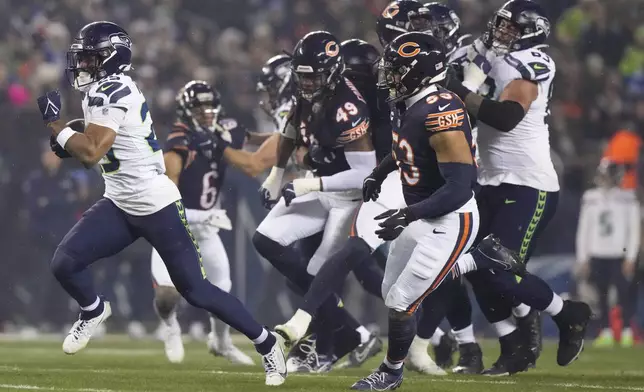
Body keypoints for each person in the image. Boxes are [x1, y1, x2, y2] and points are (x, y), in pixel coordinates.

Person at [36, 21, 286, 386]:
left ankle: (268, 344)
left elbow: (91, 152)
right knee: (65, 263)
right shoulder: (102, 90)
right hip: (120, 202)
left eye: (90, 57)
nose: (83, 64)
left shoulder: (112, 89)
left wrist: (56, 125)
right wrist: (68, 133)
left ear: (110, 58)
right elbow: (94, 142)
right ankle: (93, 309)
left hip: (156, 205)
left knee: (196, 290)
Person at [351, 31, 525, 391]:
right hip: (420, 211)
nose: (389, 77)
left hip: (451, 218)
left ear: (419, 72)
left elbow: (459, 187)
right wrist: (379, 173)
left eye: (397, 70)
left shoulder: (441, 112)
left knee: (402, 300)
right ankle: (480, 258)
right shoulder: (408, 103)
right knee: (391, 292)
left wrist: (408, 214)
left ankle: (390, 373)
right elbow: (405, 148)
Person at [444, 0, 591, 375]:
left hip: (528, 184)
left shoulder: (535, 61)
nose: (502, 32)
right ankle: (513, 347)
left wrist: (456, 90)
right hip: (491, 179)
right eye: (501, 25)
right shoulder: (488, 54)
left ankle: (566, 313)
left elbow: (506, 117)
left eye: (512, 28)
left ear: (533, 32)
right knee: (475, 268)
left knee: (495, 267)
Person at [253, 30, 378, 372]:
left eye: (313, 76)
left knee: (317, 274)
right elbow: (292, 127)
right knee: (265, 239)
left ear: (333, 71)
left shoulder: (347, 106)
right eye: (302, 75)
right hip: (321, 187)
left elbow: (364, 173)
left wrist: (312, 184)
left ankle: (328, 343)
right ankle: (349, 331)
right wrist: (277, 172)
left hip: (350, 197)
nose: (306, 83)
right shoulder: (306, 86)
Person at [150, 80, 254, 365]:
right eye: (199, 107)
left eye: (209, 105)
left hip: (206, 230)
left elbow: (254, 142)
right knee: (167, 295)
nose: (206, 112)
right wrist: (203, 215)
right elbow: (169, 196)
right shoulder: (179, 141)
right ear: (186, 110)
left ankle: (221, 342)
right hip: (173, 227)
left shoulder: (222, 132)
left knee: (222, 289)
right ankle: (170, 327)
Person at [576, 160, 640, 347]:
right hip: (597, 252)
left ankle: (627, 330)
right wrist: (583, 257)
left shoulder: (628, 198)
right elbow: (584, 229)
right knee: (600, 295)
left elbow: (633, 229)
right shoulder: (591, 197)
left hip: (619, 253)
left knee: (624, 294)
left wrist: (630, 257)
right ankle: (605, 330)